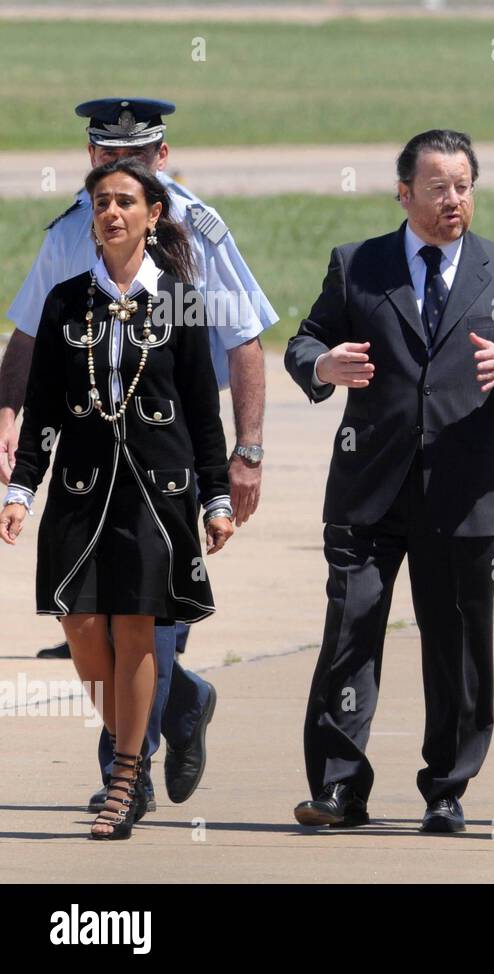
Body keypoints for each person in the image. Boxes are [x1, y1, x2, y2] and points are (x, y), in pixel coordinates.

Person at [0, 97, 276, 812]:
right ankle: (180, 711)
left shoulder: (198, 236)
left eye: (132, 165)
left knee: (144, 624)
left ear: (160, 158)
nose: (113, 184)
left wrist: (243, 457)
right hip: (91, 477)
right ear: (90, 158)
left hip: (166, 472)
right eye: (103, 162)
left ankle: (125, 776)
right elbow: (32, 333)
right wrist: (10, 419)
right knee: (95, 625)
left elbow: (241, 342)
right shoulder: (74, 228)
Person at [285, 129, 494, 834]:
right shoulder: (359, 266)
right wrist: (323, 365)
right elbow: (303, 341)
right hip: (369, 491)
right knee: (350, 634)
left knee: (458, 645)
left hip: (461, 492)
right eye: (437, 187)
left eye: (463, 186)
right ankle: (339, 788)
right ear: (404, 193)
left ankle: (447, 786)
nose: (453, 200)